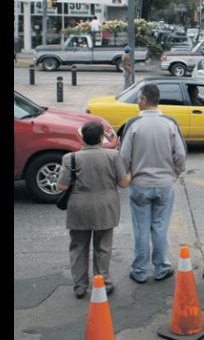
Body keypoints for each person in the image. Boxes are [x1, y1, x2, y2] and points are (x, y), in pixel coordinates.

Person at [120, 84, 187, 284]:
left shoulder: (133, 124)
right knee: (160, 227)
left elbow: (123, 158)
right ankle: (161, 268)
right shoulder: (170, 123)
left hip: (140, 185)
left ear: (143, 100)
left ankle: (139, 271)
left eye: (139, 99)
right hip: (165, 184)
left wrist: (128, 175)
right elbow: (181, 155)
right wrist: (175, 173)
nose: (137, 102)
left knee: (141, 228)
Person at [57, 121, 131, 299]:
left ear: (82, 137)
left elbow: (61, 186)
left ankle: (80, 286)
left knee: (78, 247)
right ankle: (102, 282)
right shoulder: (113, 156)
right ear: (100, 137)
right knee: (103, 247)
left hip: (79, 209)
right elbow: (123, 183)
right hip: (105, 208)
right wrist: (131, 172)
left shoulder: (70, 158)